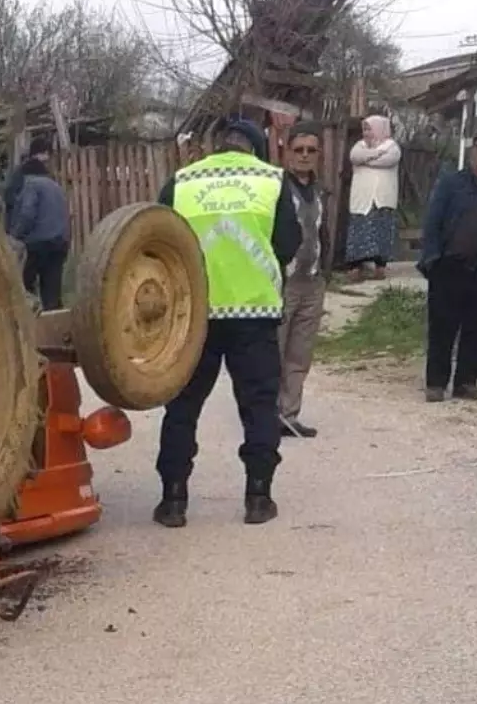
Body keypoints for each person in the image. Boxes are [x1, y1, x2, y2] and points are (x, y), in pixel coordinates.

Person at [154, 115, 301, 527]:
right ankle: (258, 497)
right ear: (254, 147)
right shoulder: (271, 180)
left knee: (182, 407)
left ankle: (173, 500)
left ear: (217, 146)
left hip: (194, 313)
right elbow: (289, 243)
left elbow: (157, 237)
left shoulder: (183, 182)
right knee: (258, 407)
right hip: (253, 312)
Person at [418, 125, 477, 402]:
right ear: (473, 150)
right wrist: (432, 260)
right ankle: (436, 383)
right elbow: (433, 222)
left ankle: (466, 381)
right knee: (443, 326)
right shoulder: (452, 183)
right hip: (451, 265)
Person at [277, 125, 332, 438]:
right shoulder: (277, 189)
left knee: (300, 353)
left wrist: (326, 269)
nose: (305, 156)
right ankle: (266, 416)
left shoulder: (321, 190)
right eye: (299, 150)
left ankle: (289, 415)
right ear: (288, 153)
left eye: (311, 150)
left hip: (313, 281)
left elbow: (324, 230)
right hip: (284, 282)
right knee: (275, 351)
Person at [11, 145, 71, 310]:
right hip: (60, 243)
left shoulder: (31, 184)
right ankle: (57, 327)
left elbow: (27, 214)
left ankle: (30, 320)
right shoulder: (55, 186)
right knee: (52, 291)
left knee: (22, 285)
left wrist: (14, 236)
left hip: (38, 243)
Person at [345, 115, 401, 281]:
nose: (366, 132)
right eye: (365, 129)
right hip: (362, 197)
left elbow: (388, 161)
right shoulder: (359, 145)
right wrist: (376, 153)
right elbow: (355, 157)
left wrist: (367, 158)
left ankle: (380, 268)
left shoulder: (392, 146)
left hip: (383, 197)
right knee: (359, 230)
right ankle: (355, 268)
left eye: (370, 128)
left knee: (382, 230)